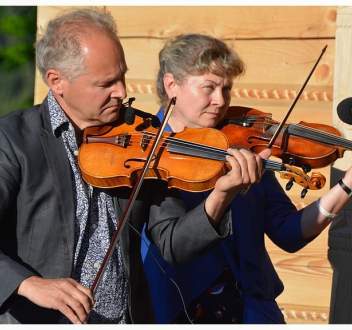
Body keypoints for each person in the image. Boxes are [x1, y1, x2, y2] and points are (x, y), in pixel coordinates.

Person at [0, 11, 264, 324]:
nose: (122, 92)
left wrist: (221, 195)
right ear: (57, 81)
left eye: (122, 76)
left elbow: (172, 243)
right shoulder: (13, 140)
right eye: (106, 83)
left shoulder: (142, 133)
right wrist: (27, 284)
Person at [141, 33, 352, 324]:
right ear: (172, 85)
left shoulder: (240, 145)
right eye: (208, 88)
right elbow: (173, 244)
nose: (220, 101)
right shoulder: (149, 154)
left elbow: (289, 232)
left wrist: (350, 183)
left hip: (255, 313)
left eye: (227, 88)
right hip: (181, 312)